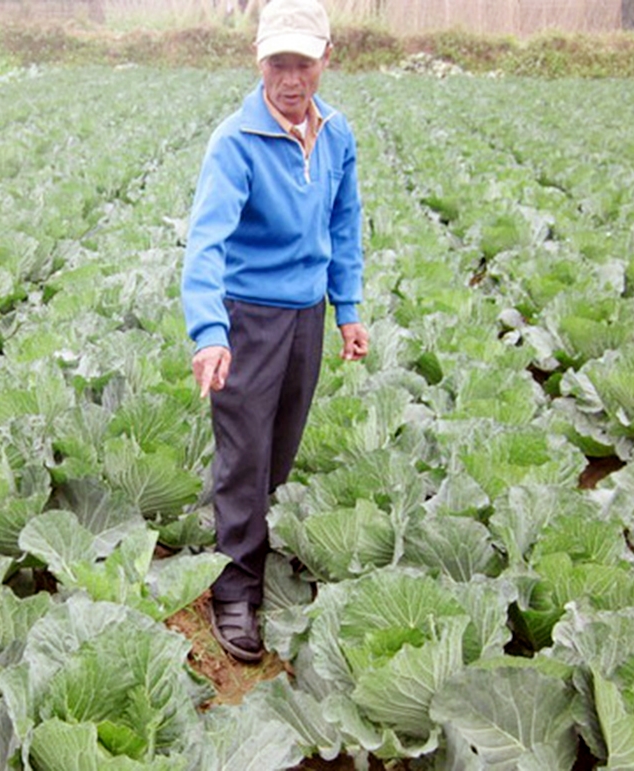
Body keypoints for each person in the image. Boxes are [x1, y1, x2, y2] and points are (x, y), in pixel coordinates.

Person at [180, 0, 369, 663]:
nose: (291, 80)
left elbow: (344, 222)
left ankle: (245, 533)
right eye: (278, 64)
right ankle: (234, 588)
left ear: (326, 60)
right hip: (246, 318)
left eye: (304, 64)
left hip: (305, 317)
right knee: (244, 453)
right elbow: (205, 243)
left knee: (279, 448)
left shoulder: (337, 133)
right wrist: (209, 332)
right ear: (259, 62)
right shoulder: (236, 141)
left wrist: (346, 308)